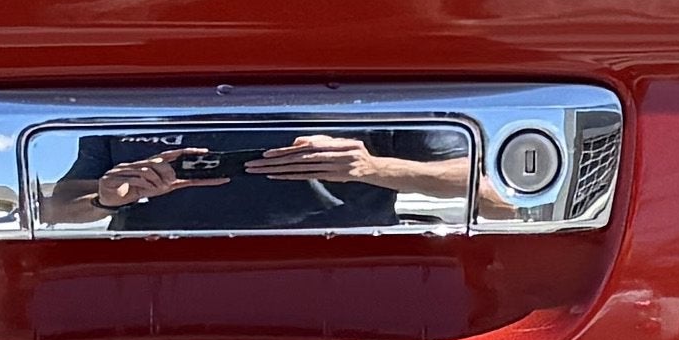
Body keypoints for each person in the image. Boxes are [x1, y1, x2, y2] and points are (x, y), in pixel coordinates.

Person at [71, 126, 475, 230]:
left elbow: (490, 191)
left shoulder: (387, 81)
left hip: (352, 280)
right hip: (147, 289)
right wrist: (105, 197)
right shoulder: (127, 87)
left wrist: (374, 168)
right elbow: (55, 204)